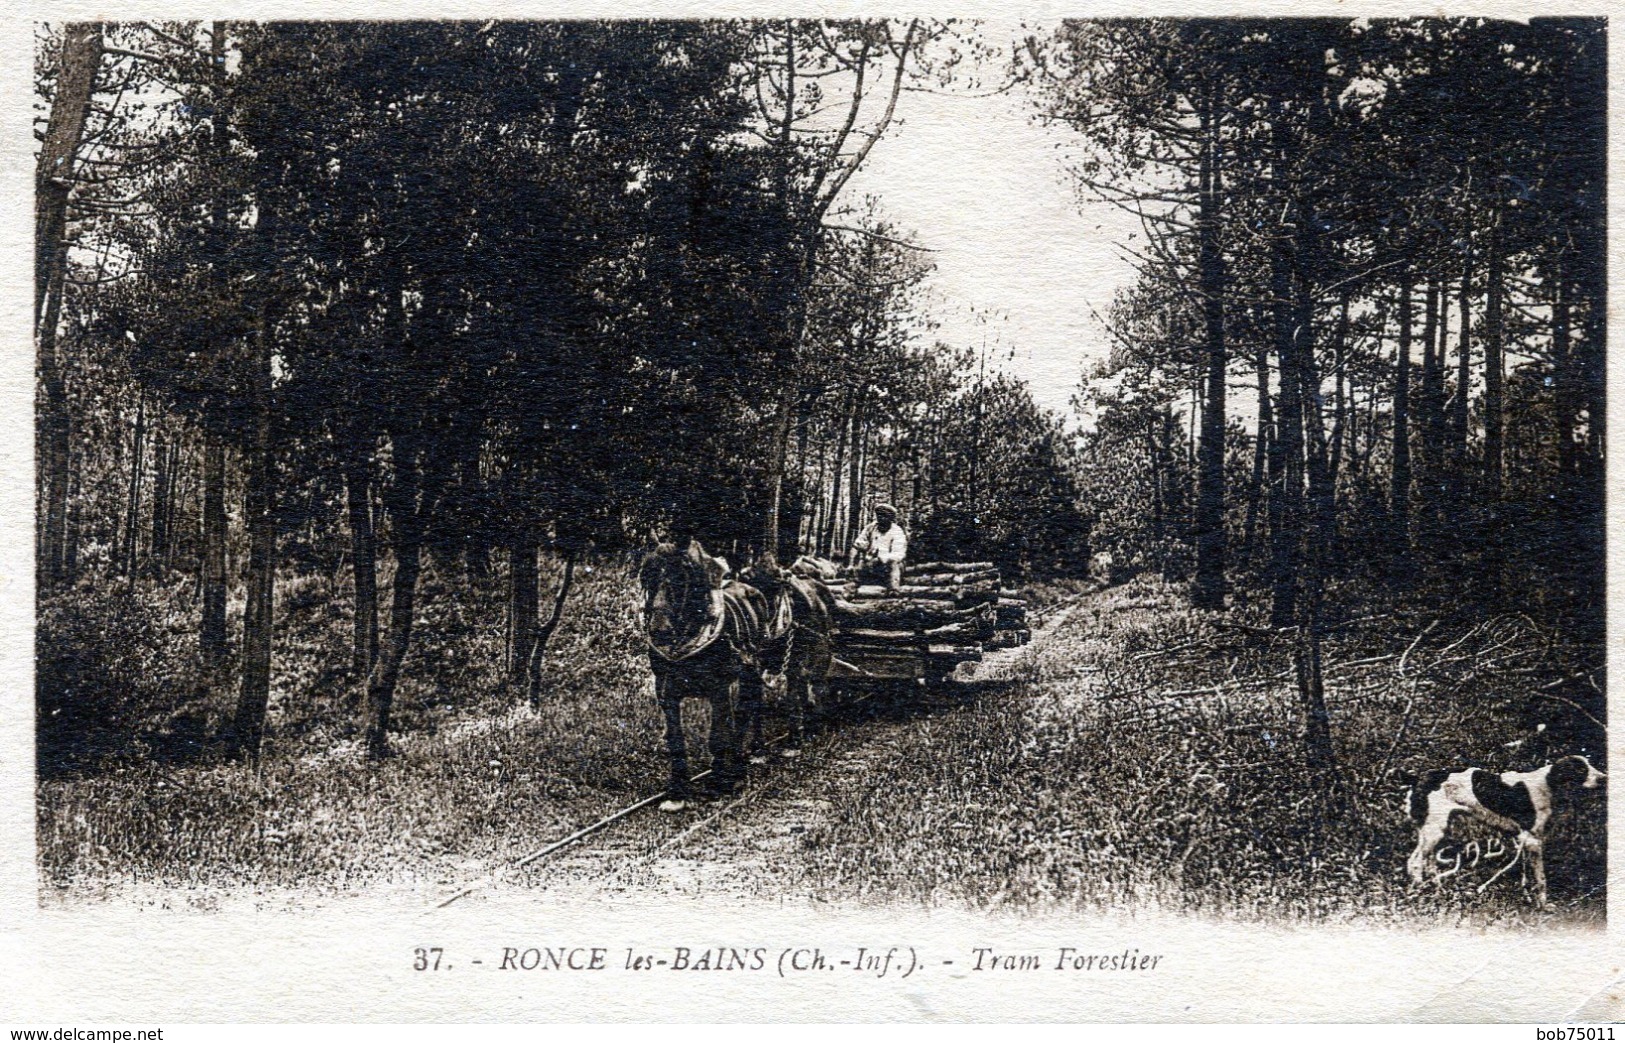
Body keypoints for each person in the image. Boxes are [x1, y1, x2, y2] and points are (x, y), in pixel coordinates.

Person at [851, 503, 908, 592]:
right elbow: (858, 544)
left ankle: (894, 591)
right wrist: (851, 563)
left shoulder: (897, 532)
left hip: (889, 565)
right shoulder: (871, 527)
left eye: (884, 515)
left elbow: (898, 555)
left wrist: (880, 558)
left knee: (894, 564)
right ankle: (849, 592)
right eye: (879, 515)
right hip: (871, 563)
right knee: (856, 569)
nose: (881, 518)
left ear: (891, 518)